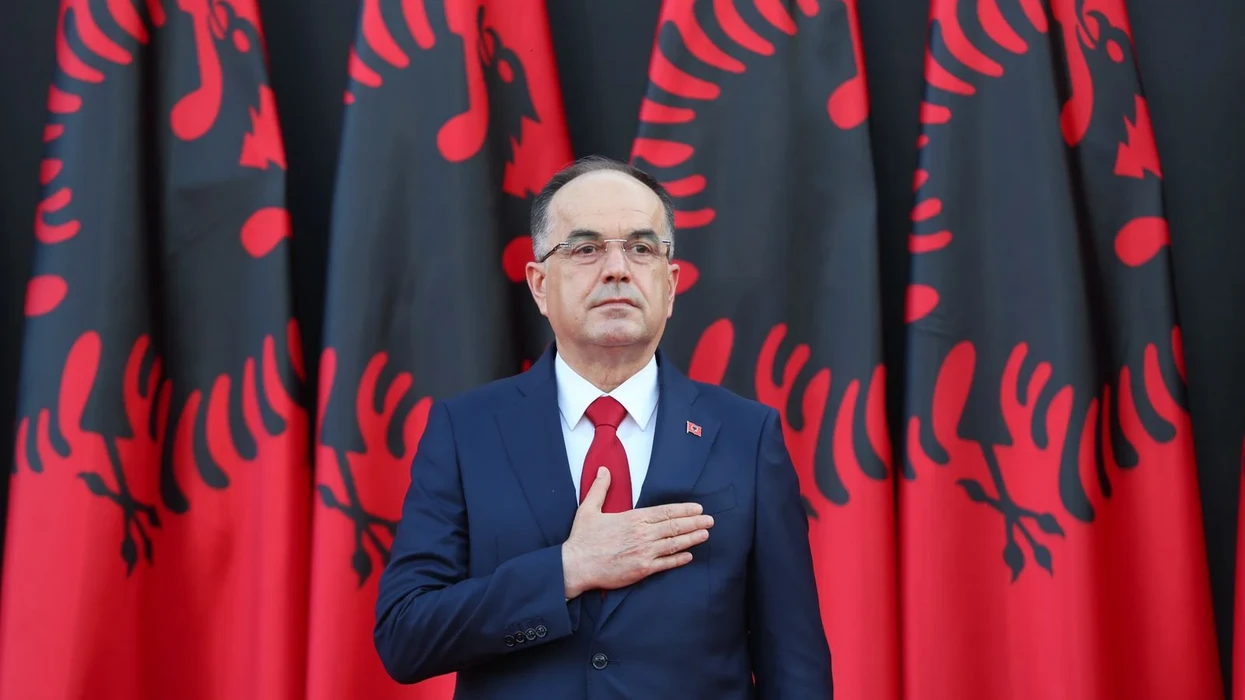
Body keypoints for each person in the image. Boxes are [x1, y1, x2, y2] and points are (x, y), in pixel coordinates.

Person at [374, 155, 833, 698]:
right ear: (539, 285)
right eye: (586, 248)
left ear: (670, 284)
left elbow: (794, 663)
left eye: (641, 249)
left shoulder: (746, 436)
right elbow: (405, 636)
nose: (617, 269)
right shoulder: (466, 430)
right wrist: (567, 570)